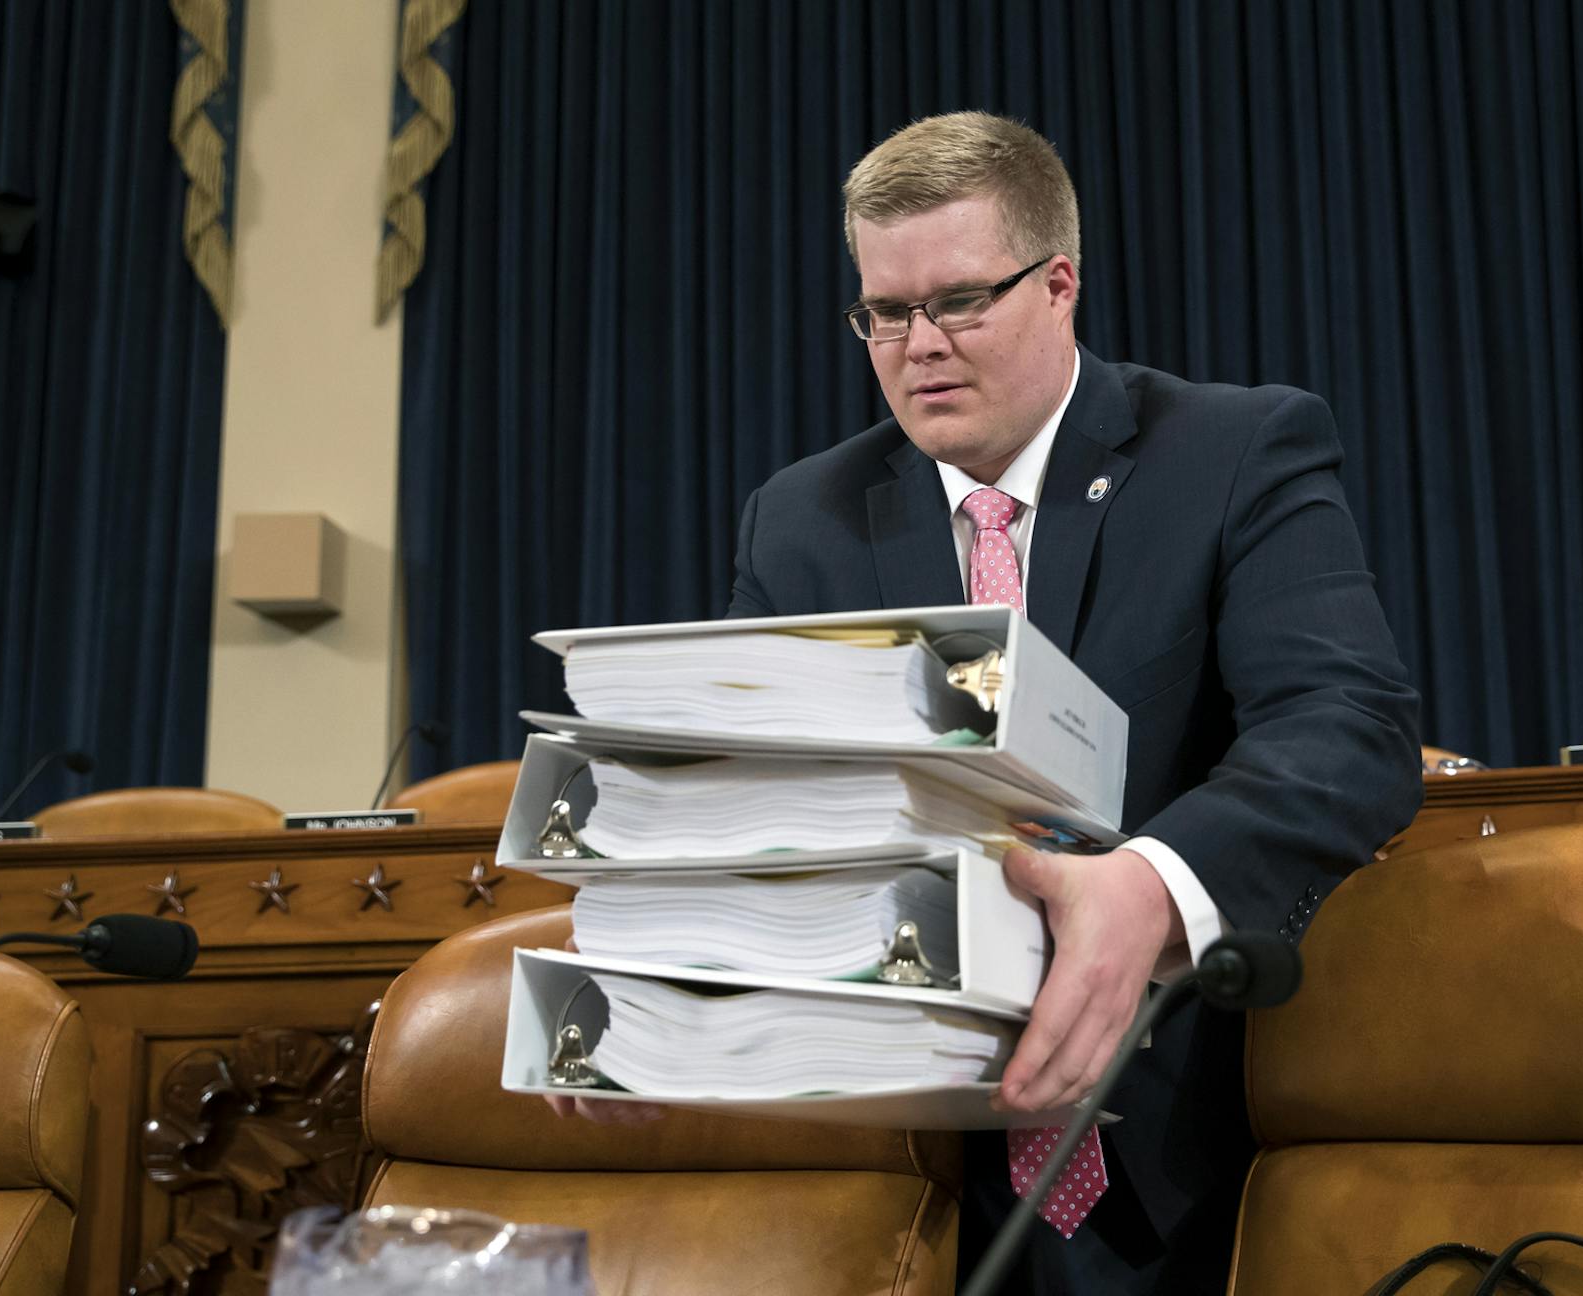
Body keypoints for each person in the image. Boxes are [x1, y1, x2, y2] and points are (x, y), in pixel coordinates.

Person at [553, 111, 1421, 1293]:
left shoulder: (1234, 450)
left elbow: (1349, 732)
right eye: (885, 313)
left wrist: (1150, 887)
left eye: (960, 301)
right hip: (911, 1174)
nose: (920, 346)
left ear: (1059, 282)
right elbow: (762, 810)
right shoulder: (800, 520)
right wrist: (664, 979)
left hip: (1200, 1143)